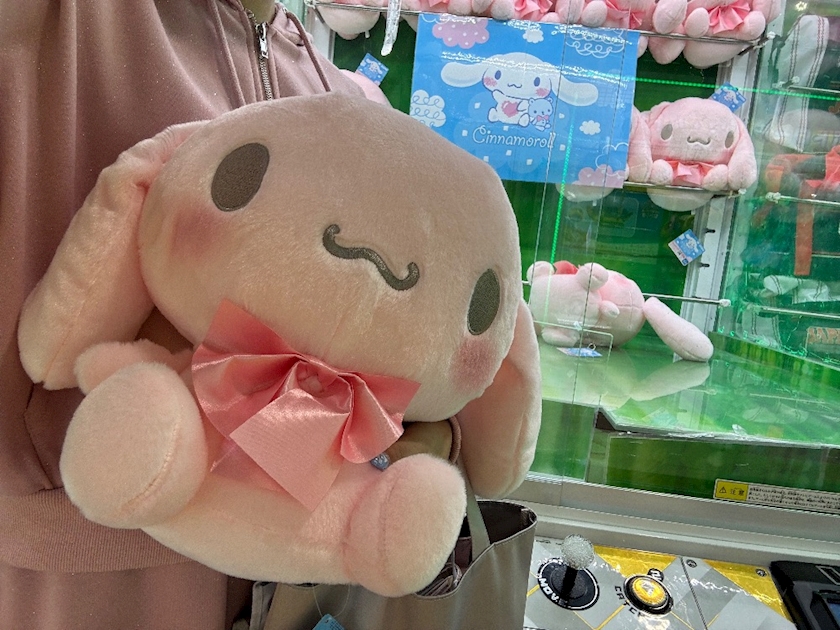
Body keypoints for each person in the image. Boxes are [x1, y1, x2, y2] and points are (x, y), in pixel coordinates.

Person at [0, 1, 451, 628]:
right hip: (72, 579)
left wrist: (427, 433)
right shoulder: (52, 24)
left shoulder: (351, 103)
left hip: (302, 581)